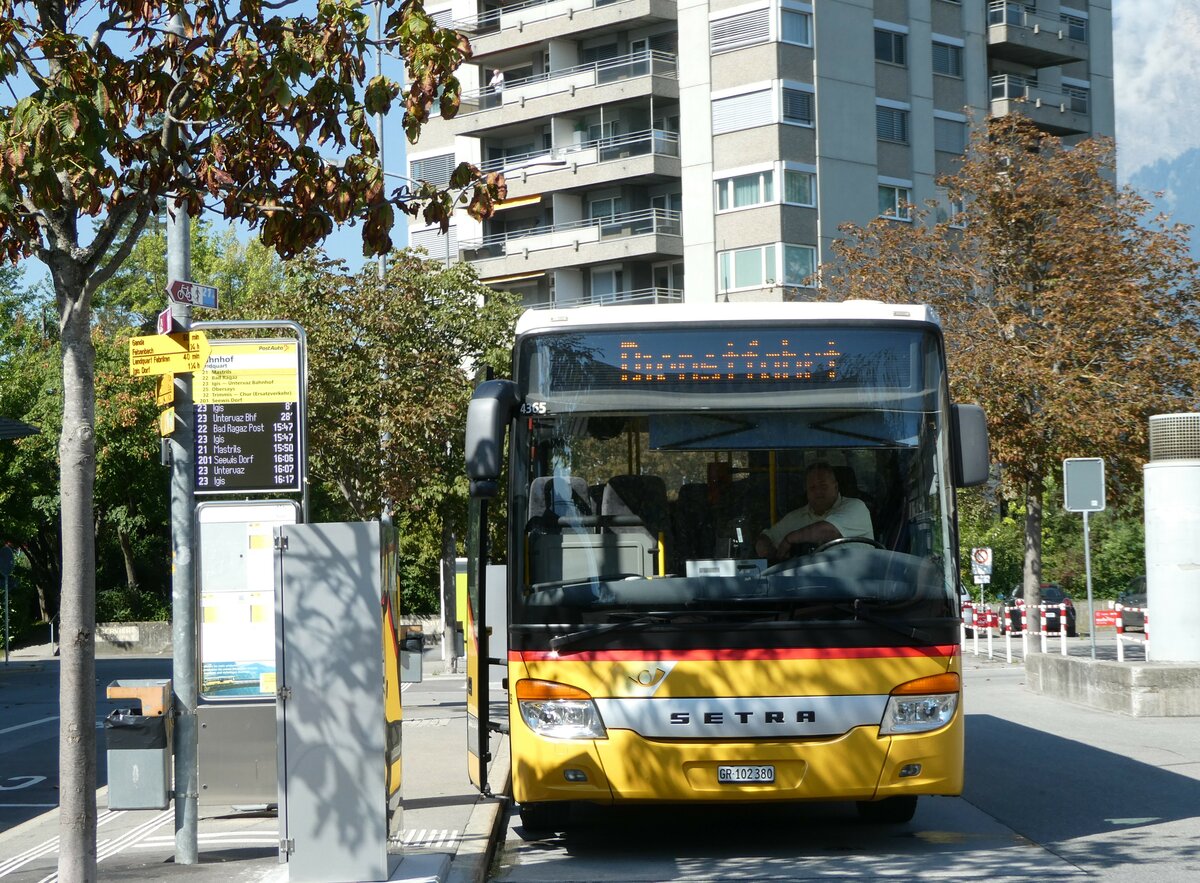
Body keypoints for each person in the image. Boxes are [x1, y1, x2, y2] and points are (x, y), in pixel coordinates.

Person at [754, 462, 873, 561]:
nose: (818, 492)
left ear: (836, 487)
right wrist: (766, 549)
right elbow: (768, 538)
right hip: (810, 586)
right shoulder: (797, 517)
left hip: (858, 585)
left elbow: (828, 531)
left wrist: (789, 539)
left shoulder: (856, 507)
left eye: (823, 486)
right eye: (812, 488)